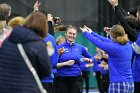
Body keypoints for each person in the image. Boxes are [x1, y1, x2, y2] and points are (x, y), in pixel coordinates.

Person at [0, 11, 52, 93]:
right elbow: (46, 71)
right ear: (44, 27)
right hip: (26, 87)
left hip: (4, 86)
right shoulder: (39, 44)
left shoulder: (8, 39)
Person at [80, 25, 134, 93]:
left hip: (118, 83)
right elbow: (106, 40)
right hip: (130, 83)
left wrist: (86, 33)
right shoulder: (128, 45)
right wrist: (92, 33)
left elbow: (97, 42)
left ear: (113, 36)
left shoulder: (114, 47)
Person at [56, 25, 93, 93]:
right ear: (66, 34)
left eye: (74, 34)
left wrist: (90, 60)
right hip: (62, 78)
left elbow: (91, 57)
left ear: (76, 35)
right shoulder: (59, 47)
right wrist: (65, 63)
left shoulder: (80, 47)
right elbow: (53, 63)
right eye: (70, 33)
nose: (71, 35)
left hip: (76, 78)